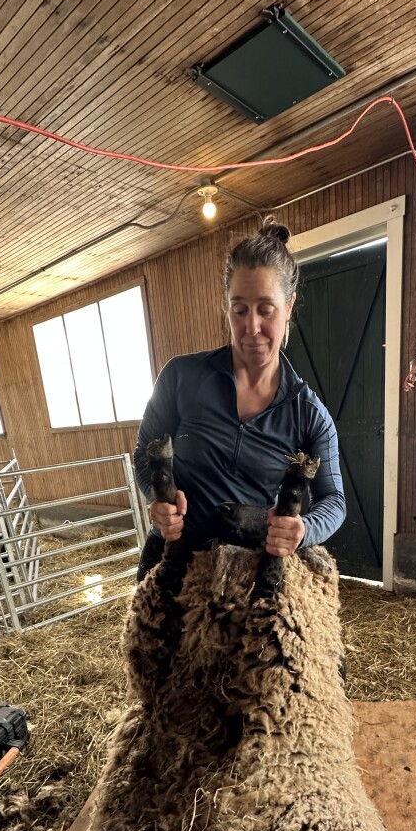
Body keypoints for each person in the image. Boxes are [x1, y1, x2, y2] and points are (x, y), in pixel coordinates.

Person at [133, 219, 346, 579]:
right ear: (226, 306)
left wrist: (303, 529)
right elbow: (143, 455)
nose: (252, 328)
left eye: (266, 309)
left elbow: (334, 501)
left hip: (245, 578)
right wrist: (158, 502)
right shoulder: (181, 377)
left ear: (290, 305)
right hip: (173, 567)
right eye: (239, 309)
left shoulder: (308, 414)